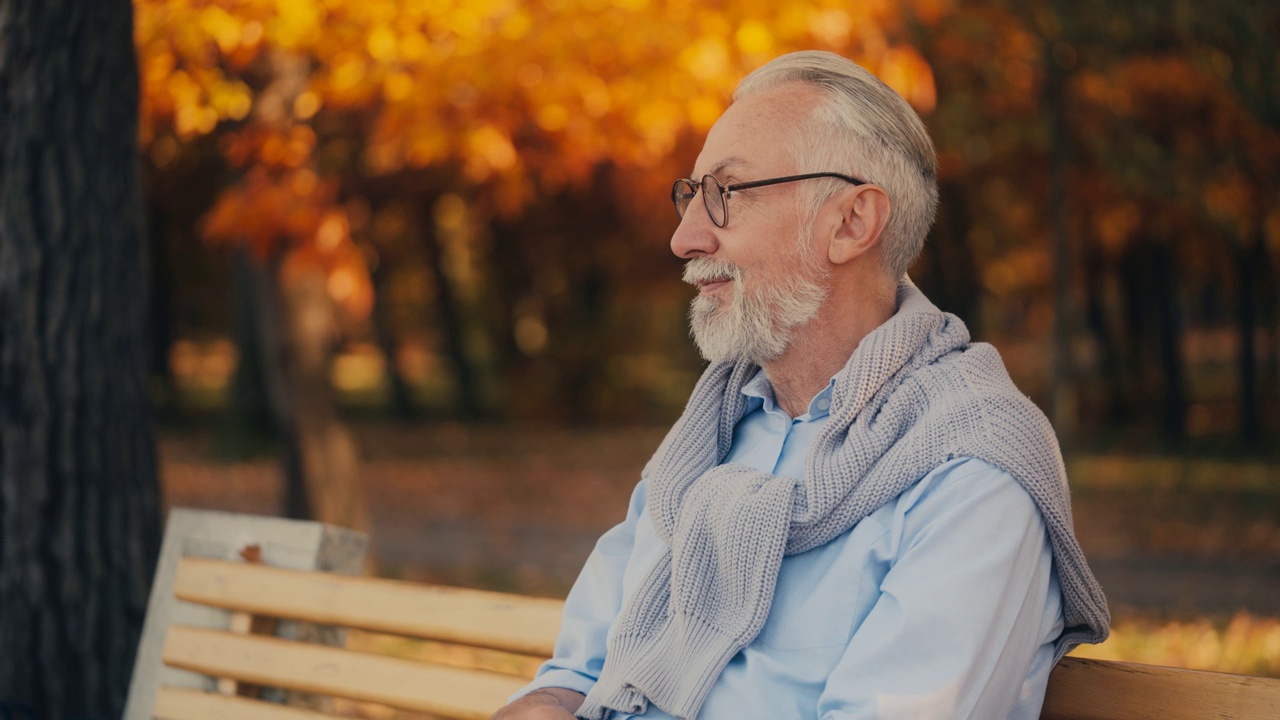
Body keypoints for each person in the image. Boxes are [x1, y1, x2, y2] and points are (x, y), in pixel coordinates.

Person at [492, 50, 1109, 720]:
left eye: (726, 193)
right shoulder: (713, 433)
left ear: (850, 223)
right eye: (690, 195)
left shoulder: (973, 471)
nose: (685, 237)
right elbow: (575, 675)